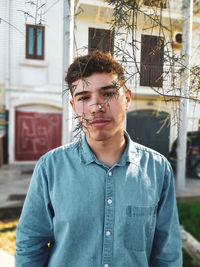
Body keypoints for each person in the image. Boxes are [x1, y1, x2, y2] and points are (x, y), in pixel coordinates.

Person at [15, 50, 182, 266]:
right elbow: (30, 245)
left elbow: (167, 253)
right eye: (84, 98)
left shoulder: (157, 169)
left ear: (127, 99)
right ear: (73, 106)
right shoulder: (50, 167)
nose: (97, 107)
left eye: (108, 94)